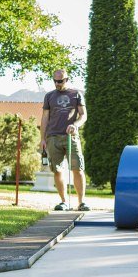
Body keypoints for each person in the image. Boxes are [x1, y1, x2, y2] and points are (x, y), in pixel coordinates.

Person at [40, 69, 90, 211]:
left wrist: (75, 125)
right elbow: (44, 118)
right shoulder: (49, 96)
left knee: (78, 168)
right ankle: (63, 202)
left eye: (60, 81)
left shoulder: (76, 94)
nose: (57, 83)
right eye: (55, 80)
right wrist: (42, 139)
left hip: (71, 137)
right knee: (57, 170)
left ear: (66, 79)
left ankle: (81, 202)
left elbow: (83, 115)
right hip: (52, 137)